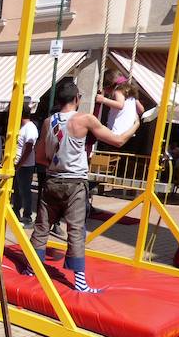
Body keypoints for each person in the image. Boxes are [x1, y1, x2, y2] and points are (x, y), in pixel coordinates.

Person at [29, 81, 140, 293]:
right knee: (76, 230)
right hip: (75, 182)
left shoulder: (47, 121)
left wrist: (58, 160)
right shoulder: (85, 119)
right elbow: (117, 141)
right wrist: (135, 125)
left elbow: (40, 156)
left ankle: (32, 267)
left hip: (52, 180)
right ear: (77, 99)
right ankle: (80, 282)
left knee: (42, 226)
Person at [13, 101, 38, 226]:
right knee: (17, 190)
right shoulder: (22, 127)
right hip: (19, 164)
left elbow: (28, 148)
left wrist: (20, 164)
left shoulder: (30, 128)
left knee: (24, 191)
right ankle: (16, 211)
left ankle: (27, 215)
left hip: (25, 166)